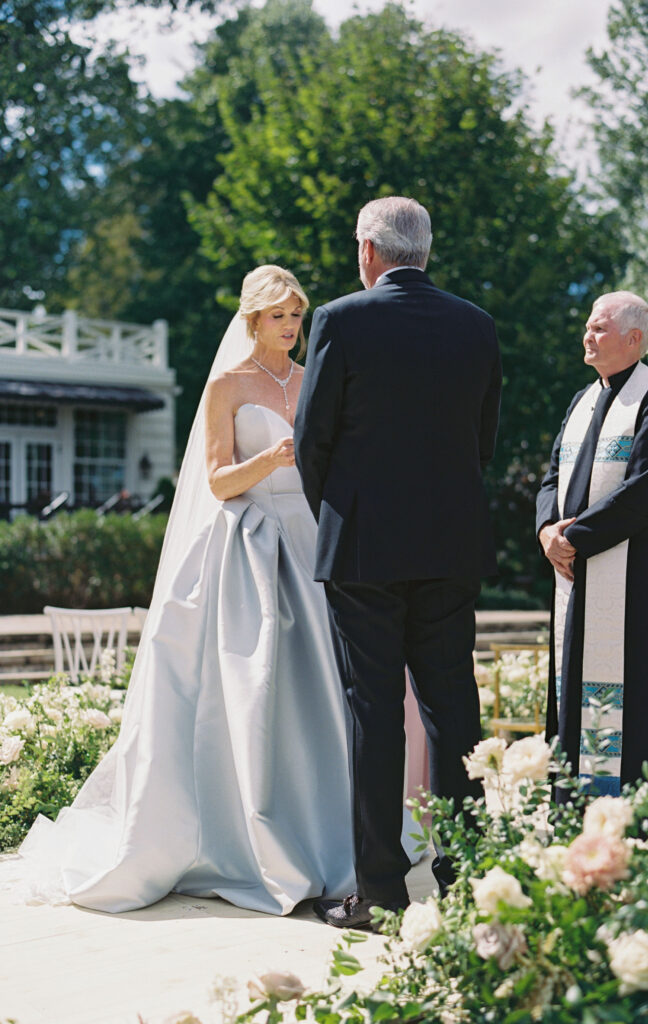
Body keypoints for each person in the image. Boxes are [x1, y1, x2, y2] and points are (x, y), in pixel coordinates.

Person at [14, 265, 421, 914]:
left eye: (297, 315)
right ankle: (249, 835)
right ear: (253, 320)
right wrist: (272, 458)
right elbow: (216, 481)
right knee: (256, 692)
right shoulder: (227, 387)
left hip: (316, 541)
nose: (292, 327)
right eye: (280, 316)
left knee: (330, 692)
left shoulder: (316, 376)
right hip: (251, 546)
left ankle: (338, 833)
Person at [294, 196, 502, 928]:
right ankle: (473, 879)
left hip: (364, 552)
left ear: (368, 251)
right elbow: (483, 442)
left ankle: (378, 892)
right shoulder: (477, 326)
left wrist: (344, 517)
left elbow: (310, 443)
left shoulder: (340, 320)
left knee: (374, 714)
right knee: (454, 711)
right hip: (450, 547)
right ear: (425, 252)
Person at [536, 290, 648, 840]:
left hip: (640, 583)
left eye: (598, 328)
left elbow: (647, 489)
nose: (587, 336)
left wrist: (574, 539)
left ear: (634, 339)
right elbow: (551, 476)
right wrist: (547, 530)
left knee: (645, 701)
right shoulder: (581, 400)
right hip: (578, 574)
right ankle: (578, 819)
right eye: (587, 327)